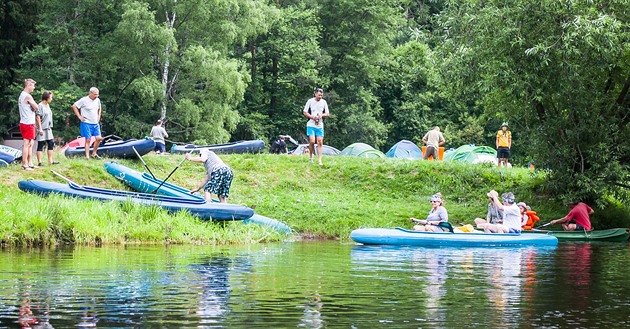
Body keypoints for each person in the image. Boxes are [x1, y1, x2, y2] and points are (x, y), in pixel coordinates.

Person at [72, 87, 103, 159]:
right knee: (88, 139)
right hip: (86, 122)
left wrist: (99, 117)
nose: (96, 96)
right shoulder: (84, 100)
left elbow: (99, 109)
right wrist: (79, 116)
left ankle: (94, 153)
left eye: (97, 95)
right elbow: (74, 106)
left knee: (98, 138)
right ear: (90, 93)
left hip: (95, 122)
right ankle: (87, 156)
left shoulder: (97, 100)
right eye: (95, 94)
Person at [303, 88, 330, 165]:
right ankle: (311, 157)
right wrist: (312, 117)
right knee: (312, 141)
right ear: (315, 94)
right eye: (319, 95)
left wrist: (321, 115)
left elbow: (327, 113)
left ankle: (319, 160)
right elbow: (305, 112)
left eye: (321, 95)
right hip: (311, 124)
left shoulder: (324, 102)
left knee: (320, 142)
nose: (320, 97)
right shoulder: (310, 101)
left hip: (320, 125)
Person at [18, 78, 39, 170]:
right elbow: (36, 107)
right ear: (28, 85)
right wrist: (33, 106)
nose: (34, 88)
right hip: (28, 123)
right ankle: (24, 164)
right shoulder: (27, 96)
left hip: (24, 121)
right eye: (33, 86)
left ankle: (30, 163)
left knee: (31, 142)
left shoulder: (21, 95)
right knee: (27, 143)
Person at [35, 91, 59, 166]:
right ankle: (39, 162)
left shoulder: (47, 105)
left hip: (48, 128)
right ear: (46, 98)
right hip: (42, 127)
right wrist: (40, 128)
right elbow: (38, 117)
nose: (51, 99)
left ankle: (50, 161)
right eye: (51, 97)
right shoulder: (40, 105)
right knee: (41, 144)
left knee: (51, 142)